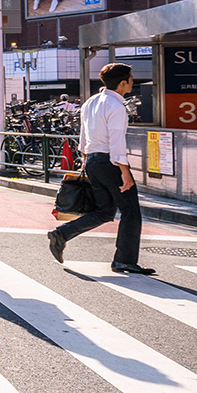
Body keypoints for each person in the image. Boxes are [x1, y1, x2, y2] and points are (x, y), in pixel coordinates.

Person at [49, 63, 152, 275]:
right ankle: (124, 260)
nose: (133, 82)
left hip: (94, 161)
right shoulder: (116, 107)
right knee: (131, 211)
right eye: (131, 79)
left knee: (105, 211)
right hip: (110, 163)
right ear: (123, 82)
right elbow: (116, 144)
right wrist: (125, 172)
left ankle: (62, 234)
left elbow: (83, 136)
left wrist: (86, 159)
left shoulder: (90, 102)